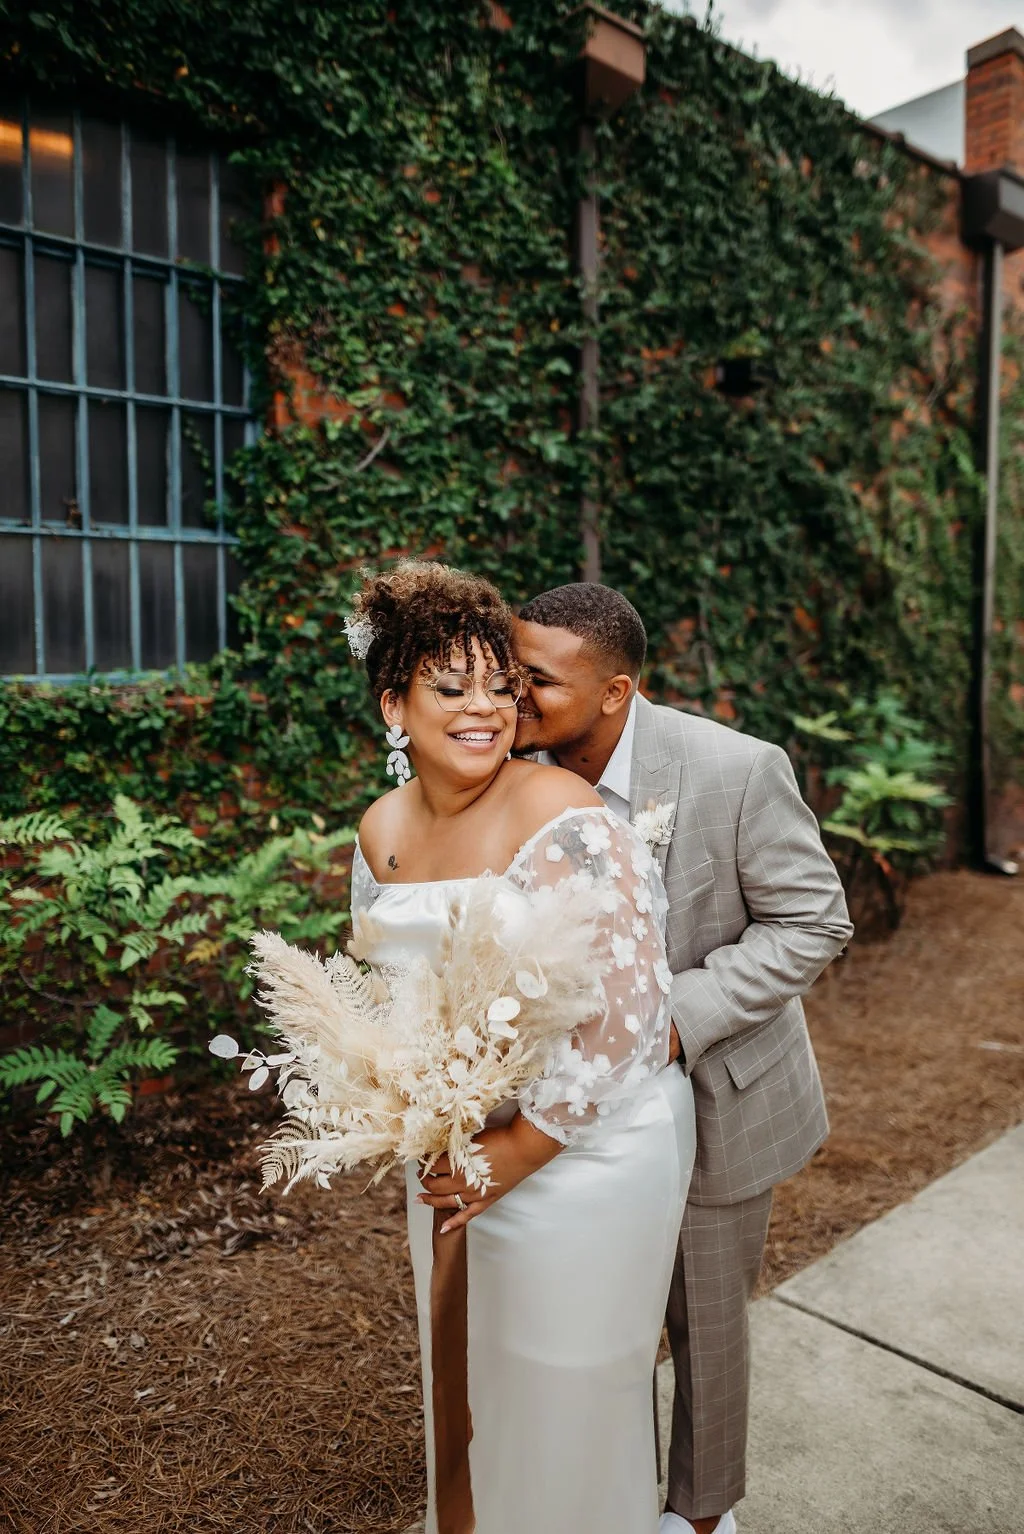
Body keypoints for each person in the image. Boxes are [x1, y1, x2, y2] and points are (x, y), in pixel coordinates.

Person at [348, 560, 696, 1534]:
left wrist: (522, 1146)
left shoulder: (558, 813)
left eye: (501, 687)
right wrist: (404, 1103)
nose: (484, 709)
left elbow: (630, 1012)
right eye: (449, 686)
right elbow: (386, 994)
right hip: (455, 1150)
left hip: (588, 1153)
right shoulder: (379, 831)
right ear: (393, 704)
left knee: (564, 1375)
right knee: (470, 1373)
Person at [513, 583, 854, 1534]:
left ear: (615, 693)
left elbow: (815, 919)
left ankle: (701, 1517)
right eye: (512, 670)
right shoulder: (506, 768)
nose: (513, 695)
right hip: (566, 1111)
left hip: (716, 1092)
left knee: (703, 1322)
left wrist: (673, 1017)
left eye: (538, 679)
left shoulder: (736, 769)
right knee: (587, 1311)